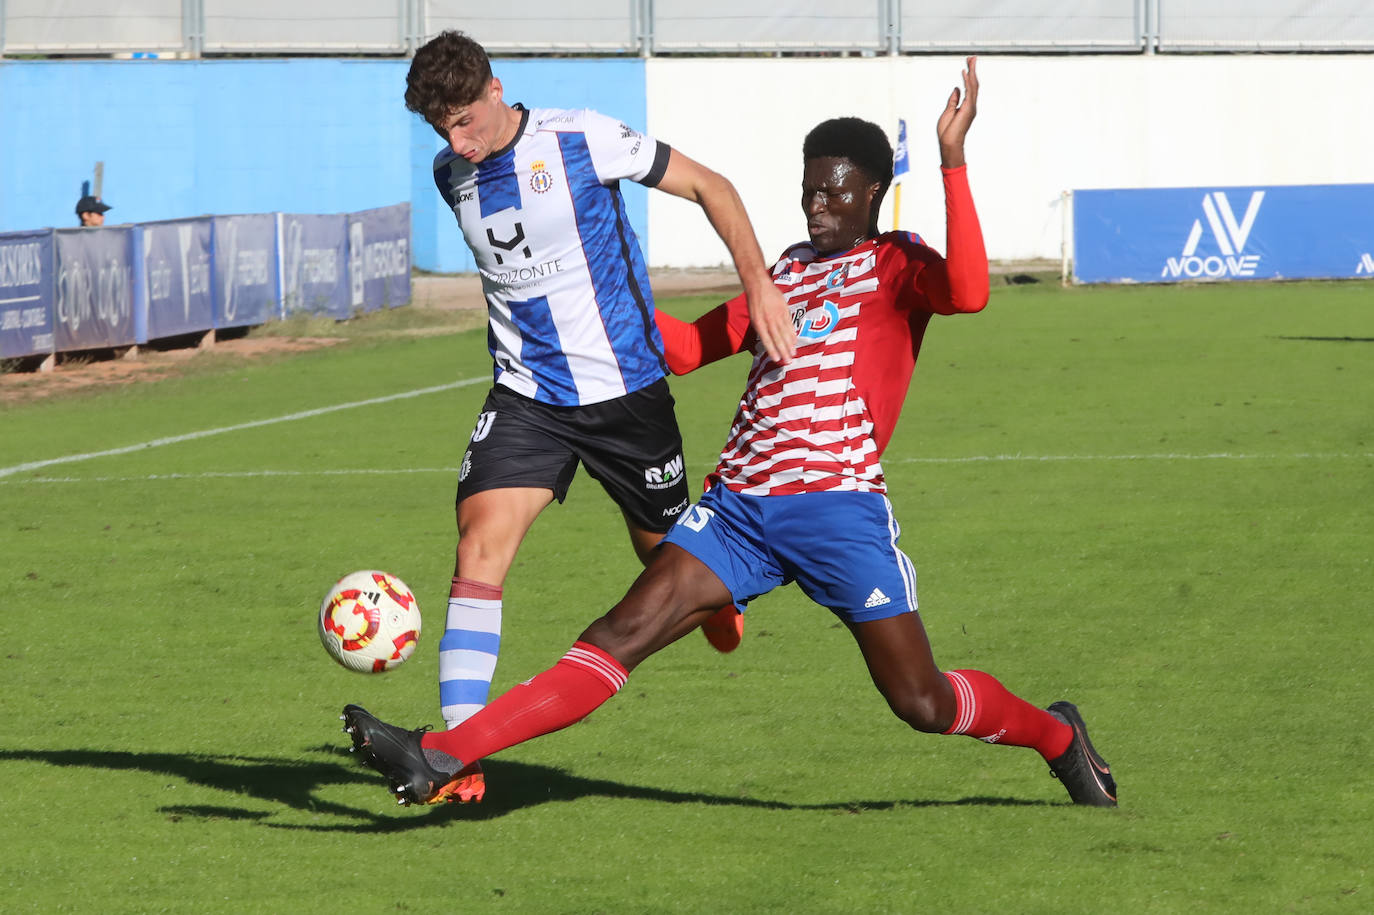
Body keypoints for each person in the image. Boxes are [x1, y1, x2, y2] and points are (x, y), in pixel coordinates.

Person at [344, 57, 1119, 809]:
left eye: (834, 193)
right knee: (619, 632)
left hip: (836, 508)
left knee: (919, 698)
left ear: (874, 193)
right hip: (738, 510)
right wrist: (584, 285)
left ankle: (1056, 737)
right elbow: (686, 348)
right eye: (808, 190)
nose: (816, 206)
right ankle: (448, 750)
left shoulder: (894, 266)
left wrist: (953, 159)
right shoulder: (781, 270)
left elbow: (972, 292)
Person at [397, 31, 794, 803]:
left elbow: (713, 186)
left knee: (673, 572)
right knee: (479, 544)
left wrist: (760, 284)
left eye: (464, 122)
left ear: (494, 88)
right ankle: (458, 752)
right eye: (441, 129)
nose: (455, 142)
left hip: (626, 396)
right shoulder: (454, 175)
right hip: (527, 397)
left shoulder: (584, 136)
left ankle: (719, 607)